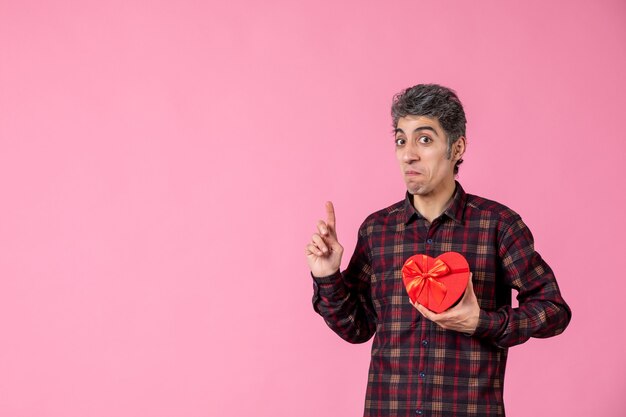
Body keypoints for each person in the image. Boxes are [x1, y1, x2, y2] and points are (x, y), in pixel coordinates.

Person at [305, 84, 571, 417]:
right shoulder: (377, 230)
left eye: (425, 139)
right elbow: (357, 328)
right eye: (402, 140)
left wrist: (483, 322)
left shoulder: (498, 226)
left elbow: (554, 311)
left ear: (457, 147)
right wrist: (327, 274)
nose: (408, 154)